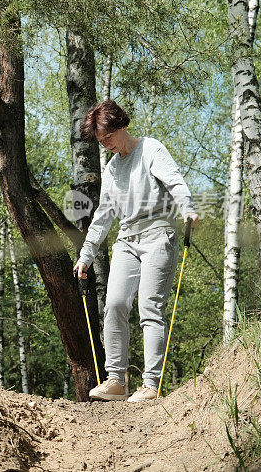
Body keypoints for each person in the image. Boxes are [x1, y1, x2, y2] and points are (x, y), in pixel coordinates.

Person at [73, 100, 199, 402]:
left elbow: (175, 180)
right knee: (114, 303)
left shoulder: (151, 149)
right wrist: (86, 255)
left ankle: (151, 385)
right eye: (100, 141)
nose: (105, 145)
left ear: (121, 125)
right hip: (127, 240)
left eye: (107, 137)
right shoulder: (112, 168)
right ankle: (115, 380)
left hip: (159, 235)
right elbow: (103, 216)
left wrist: (188, 207)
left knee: (149, 307)